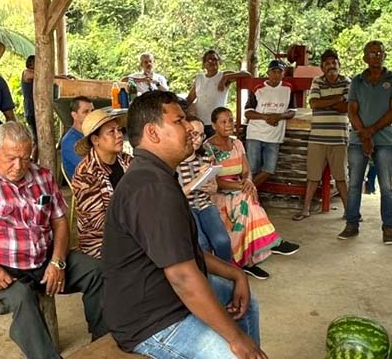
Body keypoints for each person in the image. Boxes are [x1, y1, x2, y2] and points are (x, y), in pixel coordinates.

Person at [101, 91, 267, 359]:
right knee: (235, 354)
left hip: (168, 297)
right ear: (152, 133)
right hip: (150, 321)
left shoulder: (158, 175)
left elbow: (183, 252)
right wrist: (236, 340)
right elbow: (182, 277)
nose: (190, 127)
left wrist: (236, 274)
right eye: (179, 121)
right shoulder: (151, 187)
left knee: (247, 305)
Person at [0, 122, 106, 359]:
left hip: (42, 260)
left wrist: (57, 262)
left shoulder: (42, 176)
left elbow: (60, 222)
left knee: (98, 272)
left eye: (25, 157)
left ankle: (102, 343)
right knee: (22, 298)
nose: (19, 166)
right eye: (11, 158)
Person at [207, 106, 299, 278]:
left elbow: (246, 170)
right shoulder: (208, 148)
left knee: (247, 200)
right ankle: (269, 245)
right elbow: (214, 181)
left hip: (239, 188)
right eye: (223, 122)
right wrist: (241, 187)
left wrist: (248, 180)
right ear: (213, 125)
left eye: (231, 120)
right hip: (219, 194)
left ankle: (247, 261)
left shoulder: (237, 143)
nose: (229, 125)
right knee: (246, 200)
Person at [340, 41, 392, 244]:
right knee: (354, 184)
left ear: (385, 55)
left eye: (379, 52)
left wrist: (370, 132)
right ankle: (351, 224)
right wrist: (364, 135)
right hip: (358, 140)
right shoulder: (357, 82)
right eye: (372, 53)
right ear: (365, 58)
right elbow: (351, 110)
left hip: (384, 140)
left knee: (386, 186)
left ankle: (388, 228)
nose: (376, 56)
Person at [295, 49, 350, 220]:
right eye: (327, 63)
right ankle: (305, 209)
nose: (331, 66)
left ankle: (350, 212)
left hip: (339, 138)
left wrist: (325, 103)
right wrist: (337, 99)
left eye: (334, 63)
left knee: (341, 177)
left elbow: (346, 107)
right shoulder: (317, 81)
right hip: (317, 138)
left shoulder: (347, 82)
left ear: (338, 65)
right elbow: (314, 104)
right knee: (312, 176)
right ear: (322, 67)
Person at [71, 108, 132, 259]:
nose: (119, 135)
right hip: (100, 243)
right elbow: (100, 223)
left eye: (119, 130)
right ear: (95, 140)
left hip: (132, 231)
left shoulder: (126, 160)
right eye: (111, 132)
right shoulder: (85, 174)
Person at [178, 116, 233, 263]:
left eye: (201, 135)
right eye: (194, 133)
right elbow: (175, 196)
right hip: (185, 208)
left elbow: (214, 187)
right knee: (202, 244)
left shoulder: (206, 158)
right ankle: (208, 279)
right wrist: (196, 180)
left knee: (223, 241)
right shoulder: (174, 161)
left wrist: (211, 188)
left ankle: (228, 274)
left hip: (205, 204)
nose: (198, 139)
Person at [243, 60, 293, 187]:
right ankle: (249, 198)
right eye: (273, 71)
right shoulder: (258, 89)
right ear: (268, 73)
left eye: (279, 72)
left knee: (269, 170)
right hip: (255, 134)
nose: (276, 75)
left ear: (283, 74)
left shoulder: (288, 89)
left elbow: (292, 111)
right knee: (252, 169)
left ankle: (244, 192)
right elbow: (248, 113)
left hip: (274, 137)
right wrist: (266, 117)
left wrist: (279, 116)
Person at [185, 50, 249, 138]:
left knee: (216, 150)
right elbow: (189, 99)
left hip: (216, 124)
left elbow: (246, 74)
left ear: (219, 62)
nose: (212, 62)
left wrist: (225, 78)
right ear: (204, 64)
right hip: (200, 122)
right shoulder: (199, 78)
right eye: (209, 60)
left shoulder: (223, 75)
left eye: (215, 60)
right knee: (199, 148)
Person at [59, 95, 94, 180]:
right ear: (74, 115)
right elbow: (89, 168)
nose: (91, 115)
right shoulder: (69, 141)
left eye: (92, 111)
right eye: (85, 112)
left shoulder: (92, 134)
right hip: (85, 185)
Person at [21, 55, 36, 140]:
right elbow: (45, 75)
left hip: (34, 110)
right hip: (31, 110)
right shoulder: (27, 73)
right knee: (36, 141)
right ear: (30, 64)